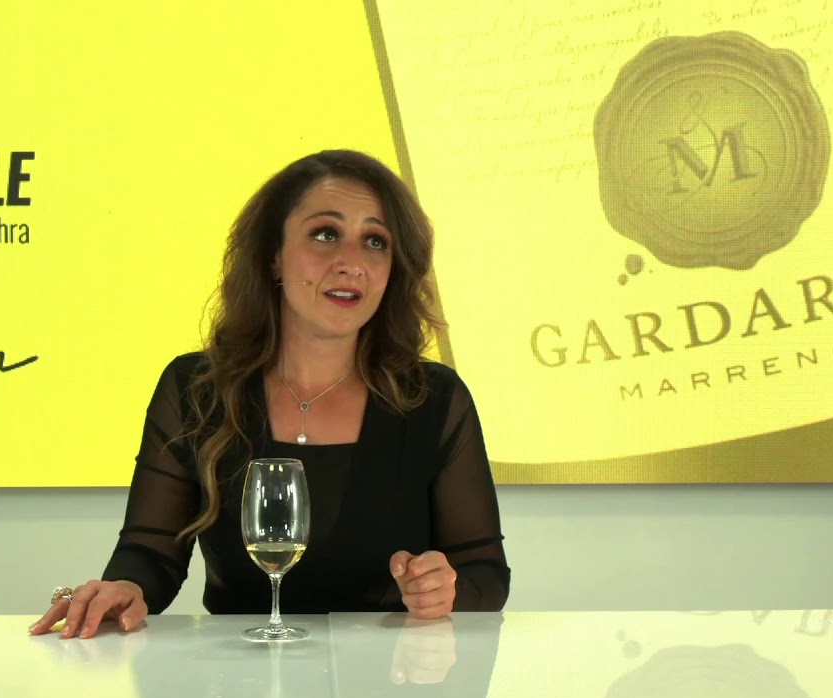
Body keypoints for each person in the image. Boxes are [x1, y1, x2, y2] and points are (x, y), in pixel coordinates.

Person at [31, 149, 510, 639]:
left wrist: (446, 591)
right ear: (273, 256)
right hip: (239, 675)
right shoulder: (195, 389)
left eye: (375, 241)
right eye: (326, 234)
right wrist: (126, 587)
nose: (352, 263)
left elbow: (486, 574)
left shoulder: (434, 398)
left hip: (390, 677)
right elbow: (150, 554)